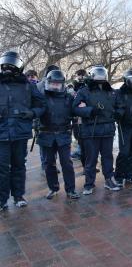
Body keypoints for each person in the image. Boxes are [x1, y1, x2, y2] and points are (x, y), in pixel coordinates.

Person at [0, 51, 46, 210]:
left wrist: (33, 113)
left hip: (20, 132)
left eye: (10, 66)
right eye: (5, 66)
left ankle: (18, 195)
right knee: (2, 168)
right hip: (1, 133)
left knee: (19, 165)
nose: (7, 69)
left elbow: (42, 104)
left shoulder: (28, 85)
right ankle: (2, 199)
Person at [72, 65, 121, 195]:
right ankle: (89, 183)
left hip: (108, 129)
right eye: (97, 73)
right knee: (91, 158)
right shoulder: (84, 91)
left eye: (102, 73)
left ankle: (109, 180)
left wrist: (118, 113)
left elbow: (119, 105)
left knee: (107, 157)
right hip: (91, 130)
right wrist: (90, 110)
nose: (100, 76)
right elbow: (75, 108)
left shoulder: (111, 91)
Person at [37, 70, 79, 199]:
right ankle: (53, 188)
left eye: (57, 84)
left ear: (62, 84)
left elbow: (75, 112)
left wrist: (83, 109)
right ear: (48, 83)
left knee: (66, 163)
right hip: (46, 134)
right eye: (53, 83)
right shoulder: (42, 97)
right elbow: (36, 111)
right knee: (49, 164)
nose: (55, 86)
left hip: (63, 135)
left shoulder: (69, 98)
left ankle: (70, 189)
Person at [70, 69, 87, 162]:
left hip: (84, 114)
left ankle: (81, 152)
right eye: (78, 75)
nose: (79, 77)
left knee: (82, 135)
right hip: (75, 114)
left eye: (81, 75)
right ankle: (79, 151)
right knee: (76, 134)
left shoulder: (87, 85)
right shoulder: (74, 85)